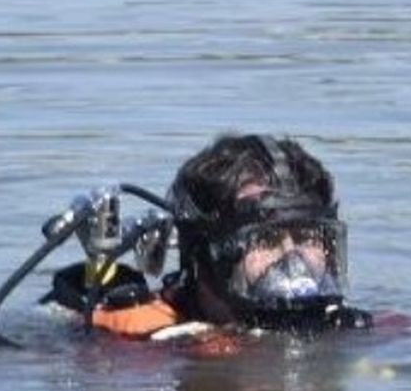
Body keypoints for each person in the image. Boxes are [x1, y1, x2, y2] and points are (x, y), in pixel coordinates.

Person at [29, 134, 375, 342]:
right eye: (266, 241)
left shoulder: (347, 330)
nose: (293, 258)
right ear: (203, 254)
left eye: (308, 237)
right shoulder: (137, 345)